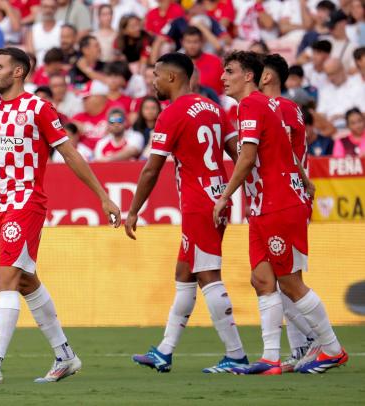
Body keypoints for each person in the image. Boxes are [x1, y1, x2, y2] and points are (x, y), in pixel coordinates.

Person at [0, 37, 121, 384]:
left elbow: (70, 154)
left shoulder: (38, 109)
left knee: (6, 280)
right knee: (26, 281)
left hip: (25, 203)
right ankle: (65, 356)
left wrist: (102, 196)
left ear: (18, 71)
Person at [215, 51, 348, 375]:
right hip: (263, 206)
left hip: (277, 202)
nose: (222, 77)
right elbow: (285, 149)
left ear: (249, 76)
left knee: (289, 282)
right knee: (261, 279)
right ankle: (271, 357)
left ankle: (331, 348)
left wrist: (224, 196)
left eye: (229, 71)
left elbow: (246, 158)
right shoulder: (265, 107)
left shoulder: (252, 105)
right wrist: (305, 180)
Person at [125, 53, 247, 374]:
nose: (152, 81)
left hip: (198, 205)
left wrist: (134, 210)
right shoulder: (215, 109)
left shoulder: (172, 114)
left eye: (155, 75)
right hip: (217, 198)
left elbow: (151, 170)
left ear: (172, 78)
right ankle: (164, 351)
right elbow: (238, 154)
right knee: (184, 273)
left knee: (208, 274)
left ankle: (236, 355)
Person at [259, 53, 318, 372]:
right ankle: (301, 347)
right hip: (285, 195)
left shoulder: (278, 107)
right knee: (274, 278)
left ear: (267, 77)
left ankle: (317, 339)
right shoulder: (288, 107)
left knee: (282, 278)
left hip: (285, 196)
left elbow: (283, 154)